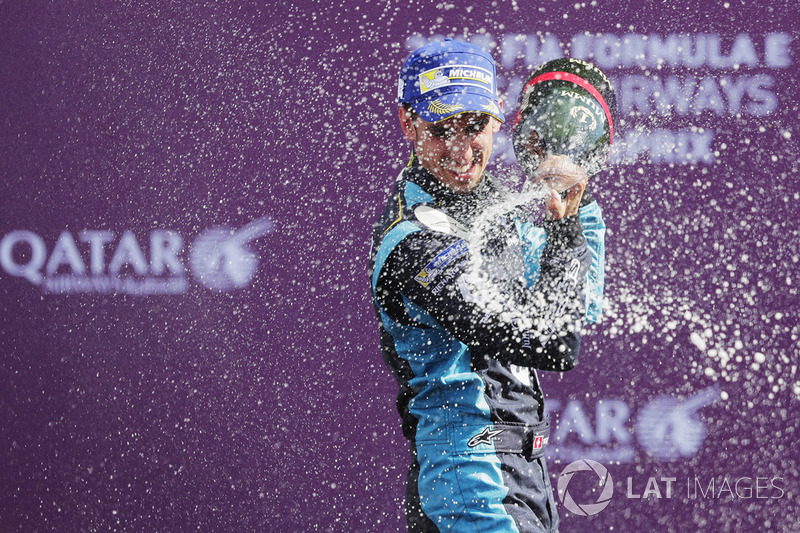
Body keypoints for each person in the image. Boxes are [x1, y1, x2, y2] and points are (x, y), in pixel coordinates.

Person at [369, 39, 612, 532]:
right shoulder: (413, 241)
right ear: (407, 124)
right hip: (472, 492)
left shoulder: (497, 206)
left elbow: (580, 305)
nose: (460, 149)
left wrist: (577, 201)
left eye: (475, 126)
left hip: (529, 482)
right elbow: (550, 340)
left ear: (500, 116)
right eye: (440, 130)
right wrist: (563, 227)